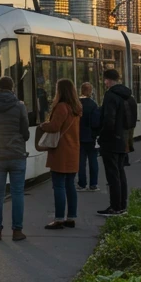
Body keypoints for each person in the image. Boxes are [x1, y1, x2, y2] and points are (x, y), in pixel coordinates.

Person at [0, 75, 30, 241]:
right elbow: (26, 133)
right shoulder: (19, 106)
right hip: (16, 154)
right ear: (12, 88)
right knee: (17, 193)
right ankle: (17, 231)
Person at [39, 78, 81, 230]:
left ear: (60, 91)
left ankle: (58, 219)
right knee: (70, 185)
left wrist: (44, 125)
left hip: (61, 150)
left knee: (58, 185)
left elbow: (55, 126)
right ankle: (71, 217)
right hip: (73, 149)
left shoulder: (62, 107)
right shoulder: (76, 107)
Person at [96, 68, 136, 216]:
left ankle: (114, 206)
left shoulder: (110, 95)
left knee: (112, 174)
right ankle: (122, 204)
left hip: (111, 140)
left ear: (107, 80)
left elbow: (109, 119)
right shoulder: (127, 95)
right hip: (122, 139)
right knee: (120, 172)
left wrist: (102, 136)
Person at [76, 82, 101, 192]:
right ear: (91, 91)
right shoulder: (93, 105)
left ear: (81, 90)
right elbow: (96, 123)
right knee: (93, 161)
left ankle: (82, 184)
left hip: (79, 137)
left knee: (81, 162)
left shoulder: (76, 105)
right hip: (91, 137)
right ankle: (93, 184)